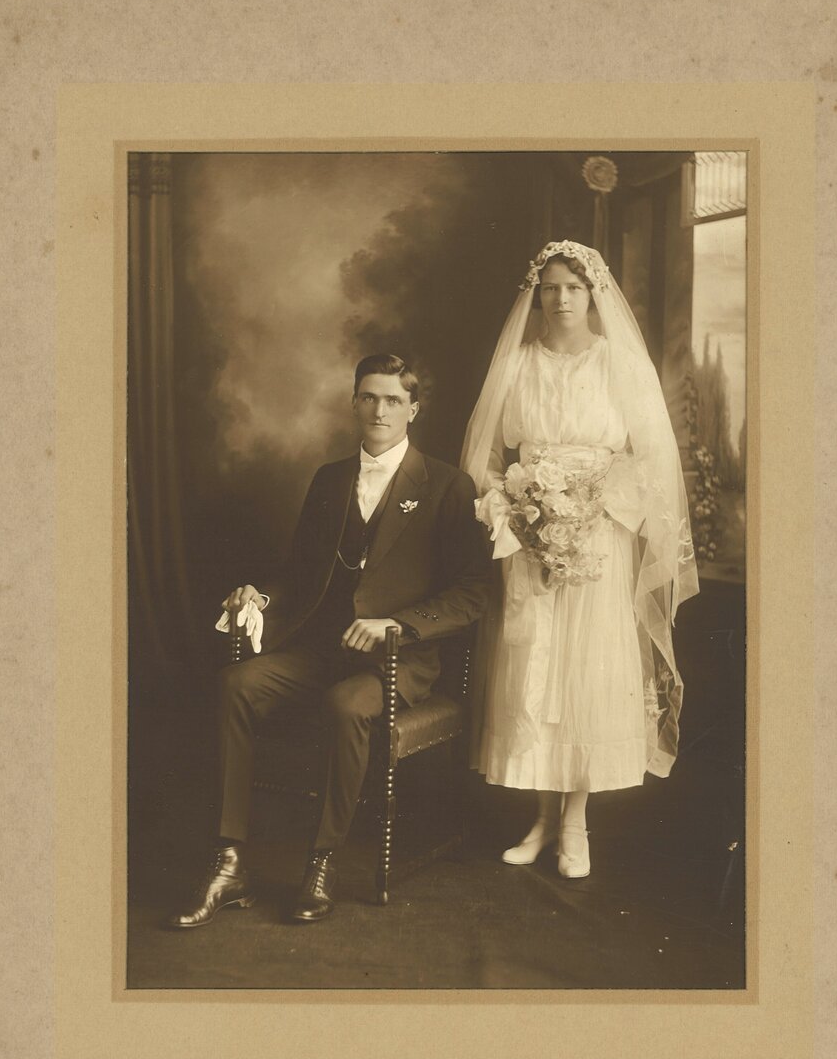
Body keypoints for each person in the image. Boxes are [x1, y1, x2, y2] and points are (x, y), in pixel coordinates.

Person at [169, 353, 491, 927]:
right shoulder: (330, 479)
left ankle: (322, 859)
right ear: (353, 404)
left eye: (393, 400)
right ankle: (229, 858)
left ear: (413, 409)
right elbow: (298, 576)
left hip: (398, 660)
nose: (379, 410)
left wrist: (400, 625)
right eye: (368, 397)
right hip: (322, 648)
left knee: (346, 706)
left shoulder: (447, 485)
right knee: (236, 684)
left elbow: (471, 595)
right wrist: (260, 597)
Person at [460, 240, 699, 880]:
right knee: (533, 667)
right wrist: (508, 505)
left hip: (598, 538)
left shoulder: (619, 364)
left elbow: (651, 462)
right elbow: (485, 458)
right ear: (535, 296)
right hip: (529, 533)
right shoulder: (516, 365)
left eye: (573, 287)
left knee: (586, 670)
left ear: (594, 294)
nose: (561, 299)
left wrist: (591, 509)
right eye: (549, 288)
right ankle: (541, 817)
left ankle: (575, 823)